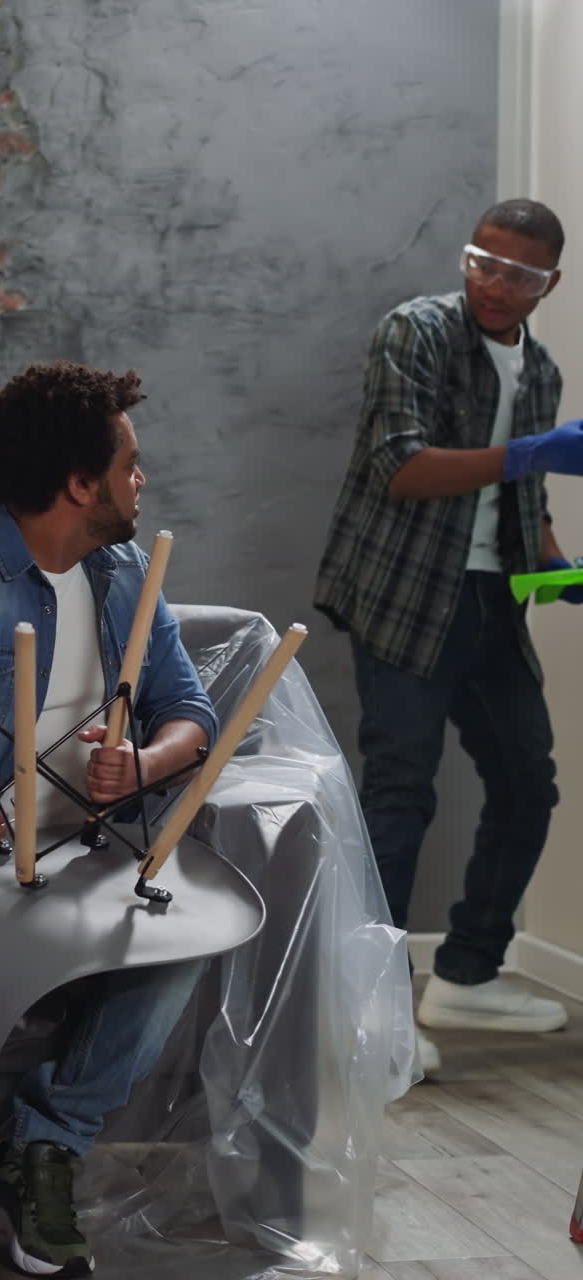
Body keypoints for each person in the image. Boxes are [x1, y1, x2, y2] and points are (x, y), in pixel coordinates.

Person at [0, 362, 218, 1277]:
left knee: (181, 939)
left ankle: (38, 1155)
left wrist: (145, 760)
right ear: (79, 484)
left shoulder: (127, 577)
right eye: (131, 465)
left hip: (81, 859)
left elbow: (193, 716)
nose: (143, 480)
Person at [314, 198, 583, 1075]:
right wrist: (534, 453)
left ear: (550, 284)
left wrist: (558, 564)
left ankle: (466, 971)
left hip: (488, 601)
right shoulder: (417, 332)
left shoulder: (538, 369)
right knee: (399, 797)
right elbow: (402, 467)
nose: (496, 285)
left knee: (526, 784)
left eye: (520, 274)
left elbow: (523, 500)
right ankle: (370, 1004)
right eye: (484, 262)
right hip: (403, 593)